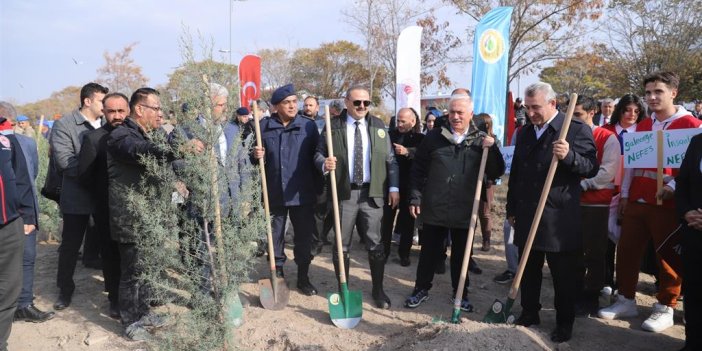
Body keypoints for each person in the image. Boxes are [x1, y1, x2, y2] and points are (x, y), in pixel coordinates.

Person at [598, 71, 702, 333]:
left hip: (669, 204)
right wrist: (624, 195)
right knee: (628, 250)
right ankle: (626, 299)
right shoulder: (642, 126)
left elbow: (692, 170)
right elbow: (630, 165)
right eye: (648, 93)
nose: (652, 97)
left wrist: (673, 187)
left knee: (666, 256)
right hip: (637, 199)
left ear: (673, 93)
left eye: (658, 92)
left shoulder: (691, 125)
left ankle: (666, 306)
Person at [507, 82, 597, 343]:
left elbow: (591, 166)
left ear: (552, 104)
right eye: (528, 107)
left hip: (558, 217)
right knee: (529, 270)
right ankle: (529, 312)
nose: (531, 112)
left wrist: (569, 156)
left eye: (536, 107)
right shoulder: (525, 133)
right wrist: (512, 208)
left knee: (563, 275)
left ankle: (564, 321)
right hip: (527, 212)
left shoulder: (575, 130)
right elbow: (518, 175)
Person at [404, 93, 504, 311]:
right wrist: (415, 196)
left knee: (462, 254)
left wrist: (493, 148)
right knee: (429, 252)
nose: (456, 117)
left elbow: (497, 171)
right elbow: (418, 169)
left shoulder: (480, 140)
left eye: (461, 112)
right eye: (452, 112)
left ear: (470, 114)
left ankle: (461, 293)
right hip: (435, 205)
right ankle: (421, 289)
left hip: (465, 208)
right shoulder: (434, 137)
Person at [315, 85, 399, 309]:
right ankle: (343, 287)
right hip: (344, 193)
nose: (362, 106)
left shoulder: (379, 126)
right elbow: (317, 153)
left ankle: (378, 289)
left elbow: (390, 160)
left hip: (373, 194)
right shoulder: (333, 126)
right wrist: (324, 163)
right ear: (346, 102)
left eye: (366, 103)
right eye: (357, 102)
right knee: (341, 245)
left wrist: (394, 188)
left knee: (375, 243)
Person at [107, 87, 173, 340]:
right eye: (155, 108)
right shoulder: (121, 135)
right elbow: (139, 152)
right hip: (130, 217)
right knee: (132, 273)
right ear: (139, 109)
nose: (159, 113)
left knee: (146, 269)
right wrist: (175, 150)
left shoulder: (149, 134)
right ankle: (131, 322)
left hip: (149, 216)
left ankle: (144, 313)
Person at [252, 84, 320, 296]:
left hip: (302, 193)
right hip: (273, 192)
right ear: (276, 107)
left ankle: (303, 277)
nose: (292, 106)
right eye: (286, 103)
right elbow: (251, 160)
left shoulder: (308, 126)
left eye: (294, 102)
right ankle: (277, 275)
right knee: (275, 237)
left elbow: (317, 155)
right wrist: (255, 156)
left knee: (303, 238)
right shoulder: (263, 126)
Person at [51, 82, 108, 310]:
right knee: (70, 246)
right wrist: (101, 175)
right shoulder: (64, 125)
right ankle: (65, 289)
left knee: (106, 243)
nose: (106, 105)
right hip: (76, 197)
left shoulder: (106, 123)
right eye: (102, 101)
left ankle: (109, 285)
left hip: (103, 197)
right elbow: (66, 162)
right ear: (88, 101)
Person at [77, 92, 129, 319]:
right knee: (111, 255)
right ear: (104, 112)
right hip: (107, 208)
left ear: (128, 110)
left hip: (135, 208)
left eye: (121, 111)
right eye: (111, 111)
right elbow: (85, 176)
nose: (117, 116)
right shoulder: (94, 139)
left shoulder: (136, 135)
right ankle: (115, 300)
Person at [0, 102, 52, 325]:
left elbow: (28, 177)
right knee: (23, 260)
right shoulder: (25, 143)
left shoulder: (24, 143)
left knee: (26, 259)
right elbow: (30, 178)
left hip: (19, 214)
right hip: (18, 213)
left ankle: (22, 305)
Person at [569, 96, 620, 317]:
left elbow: (608, 171)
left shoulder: (607, 138)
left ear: (592, 113)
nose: (573, 120)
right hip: (570, 202)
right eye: (571, 115)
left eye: (578, 115)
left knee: (595, 251)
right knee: (572, 249)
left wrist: (584, 184)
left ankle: (592, 294)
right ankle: (575, 290)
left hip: (596, 203)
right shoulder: (567, 135)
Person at [600, 94, 646, 296]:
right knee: (605, 240)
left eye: (636, 111)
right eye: (628, 110)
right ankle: (606, 279)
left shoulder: (645, 134)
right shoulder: (606, 132)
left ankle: (623, 283)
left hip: (632, 193)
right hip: (606, 191)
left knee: (627, 241)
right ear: (619, 110)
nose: (632, 115)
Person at [0, 114, 36, 349]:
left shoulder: (6, 141)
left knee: (8, 290)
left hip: (10, 224)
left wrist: (27, 214)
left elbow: (22, 179)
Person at [380, 107, 424, 267]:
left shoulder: (420, 138)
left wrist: (407, 152)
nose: (399, 123)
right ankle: (383, 251)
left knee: (407, 222)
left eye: (403, 121)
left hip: (410, 186)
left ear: (413, 121)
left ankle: (404, 253)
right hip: (391, 185)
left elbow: (424, 155)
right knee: (386, 220)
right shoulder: (389, 136)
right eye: (398, 120)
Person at [675, 133, 702, 351]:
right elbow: (682, 182)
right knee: (693, 292)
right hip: (694, 233)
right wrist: (686, 212)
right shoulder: (697, 141)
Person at [475, 113, 500, 252]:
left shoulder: (494, 140)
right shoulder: (475, 139)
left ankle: (486, 240)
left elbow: (497, 164)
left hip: (487, 182)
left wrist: (491, 178)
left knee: (484, 212)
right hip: (473, 180)